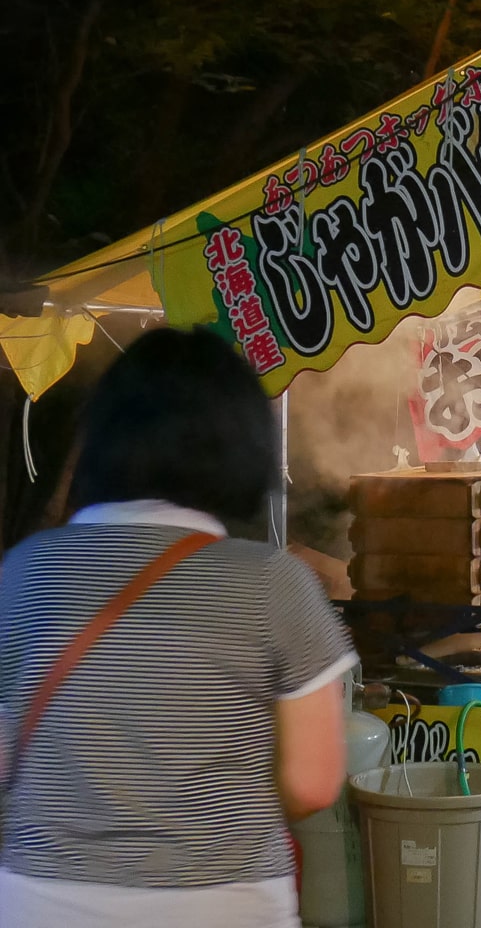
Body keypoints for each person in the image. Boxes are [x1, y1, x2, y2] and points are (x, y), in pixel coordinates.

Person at [0, 328, 356, 928]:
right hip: (221, 902)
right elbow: (313, 783)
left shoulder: (25, 572)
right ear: (241, 445)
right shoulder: (274, 582)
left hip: (43, 899)